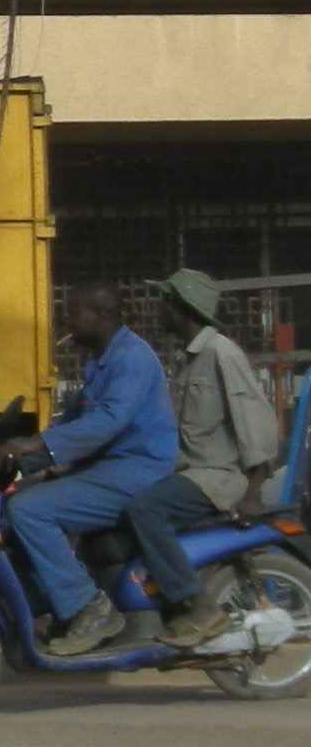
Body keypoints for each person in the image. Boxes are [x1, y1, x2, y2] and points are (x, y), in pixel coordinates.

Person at [4, 284, 179, 658]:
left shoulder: (131, 358)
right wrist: (23, 456)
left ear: (99, 316)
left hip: (136, 470)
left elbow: (105, 424)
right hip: (108, 467)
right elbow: (72, 423)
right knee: (13, 505)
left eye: (74, 315)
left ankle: (89, 607)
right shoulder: (101, 361)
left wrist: (38, 447)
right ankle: (56, 607)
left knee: (31, 511)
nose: (67, 323)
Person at [126, 268, 282, 648]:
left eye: (165, 302)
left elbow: (254, 421)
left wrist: (253, 492)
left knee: (145, 510)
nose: (158, 309)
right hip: (192, 472)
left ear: (181, 307)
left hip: (217, 477)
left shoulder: (220, 353)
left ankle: (199, 606)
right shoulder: (192, 358)